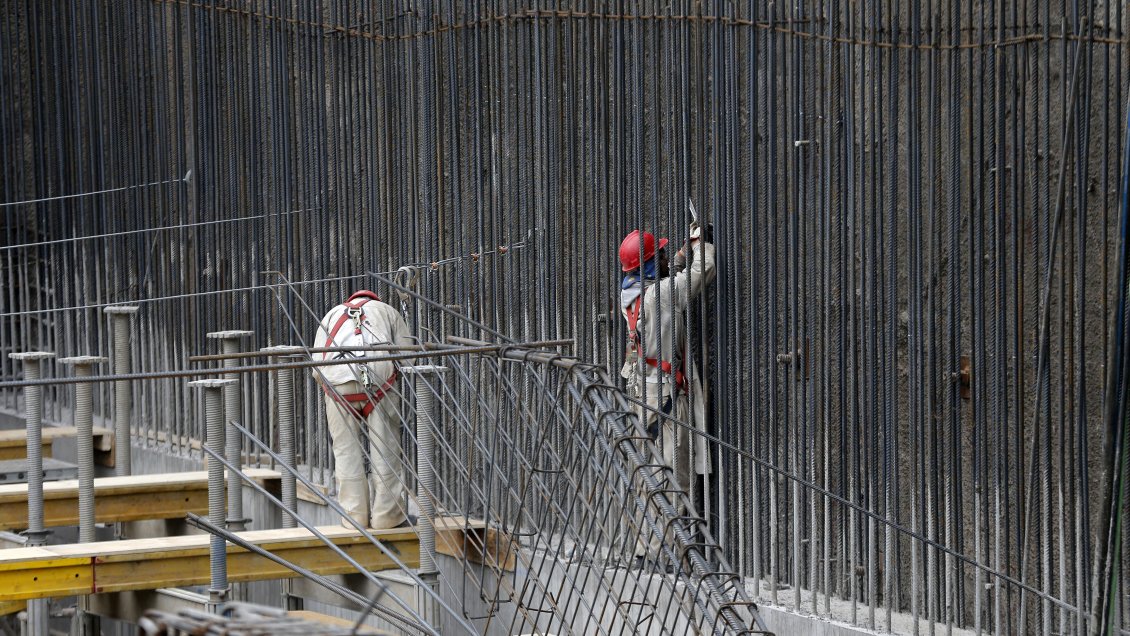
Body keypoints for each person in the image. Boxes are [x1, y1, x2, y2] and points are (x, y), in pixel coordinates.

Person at [618, 223, 715, 563]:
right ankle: (673, 555)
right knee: (675, 475)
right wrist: (698, 243)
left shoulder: (629, 294)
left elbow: (660, 289)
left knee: (648, 473)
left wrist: (672, 263)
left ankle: (647, 549)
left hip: (640, 394)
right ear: (648, 262)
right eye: (659, 253)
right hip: (666, 397)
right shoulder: (660, 296)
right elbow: (702, 272)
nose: (664, 254)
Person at [314, 289, 413, 529]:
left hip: (338, 385)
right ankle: (386, 518)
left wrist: (335, 388)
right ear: (374, 299)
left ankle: (354, 517)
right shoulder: (388, 312)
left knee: (346, 452)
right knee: (386, 449)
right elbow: (409, 358)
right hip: (380, 385)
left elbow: (317, 368)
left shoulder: (330, 315)